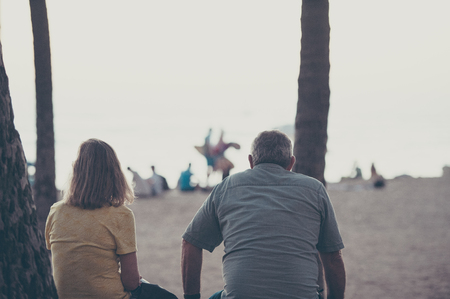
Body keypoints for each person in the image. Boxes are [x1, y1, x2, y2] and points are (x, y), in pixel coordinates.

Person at [181, 130, 346, 299]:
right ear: (291, 163)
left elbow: (190, 243)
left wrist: (191, 297)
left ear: (251, 161)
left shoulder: (227, 187)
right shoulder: (315, 189)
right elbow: (333, 258)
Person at [45, 139, 178, 299]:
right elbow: (131, 282)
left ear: (76, 172)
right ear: (114, 174)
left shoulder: (56, 211)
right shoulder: (120, 215)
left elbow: (65, 261)